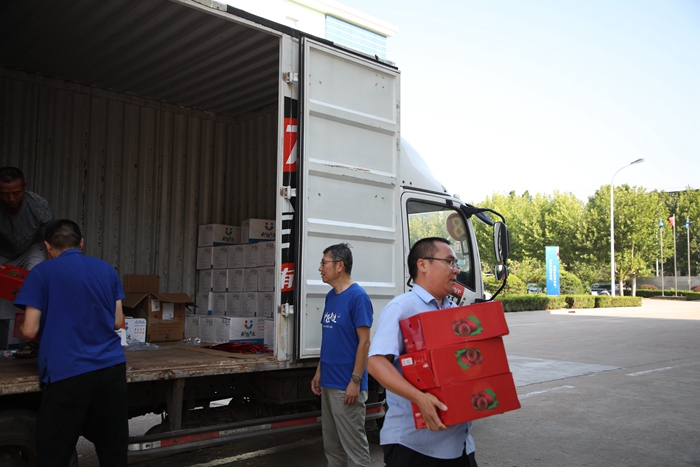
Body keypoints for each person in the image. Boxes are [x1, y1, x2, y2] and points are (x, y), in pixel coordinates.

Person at [14, 219, 128, 467]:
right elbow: (117, 321)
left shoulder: (41, 273)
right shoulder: (106, 270)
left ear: (48, 246)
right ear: (81, 242)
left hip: (68, 373)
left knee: (54, 453)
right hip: (111, 370)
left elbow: (30, 329)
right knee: (113, 450)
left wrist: (24, 327)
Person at [367, 237, 478, 467]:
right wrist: (419, 398)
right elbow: (376, 363)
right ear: (423, 264)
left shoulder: (454, 311)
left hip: (460, 444)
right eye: (449, 262)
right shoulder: (402, 307)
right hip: (414, 446)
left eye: (456, 263)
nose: (456, 270)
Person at [311, 243, 374, 467]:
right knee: (332, 448)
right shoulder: (331, 296)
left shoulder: (358, 297)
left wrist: (355, 381)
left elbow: (364, 343)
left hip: (346, 385)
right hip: (329, 382)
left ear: (339, 266)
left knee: (354, 449)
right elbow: (330, 340)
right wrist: (319, 372)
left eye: (324, 263)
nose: (320, 268)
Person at [0, 166, 54, 271]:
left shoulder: (39, 206)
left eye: (16, 193)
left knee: (35, 274)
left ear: (24, 186)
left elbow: (50, 243)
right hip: (2, 252)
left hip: (31, 251)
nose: (11, 199)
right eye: (5, 194)